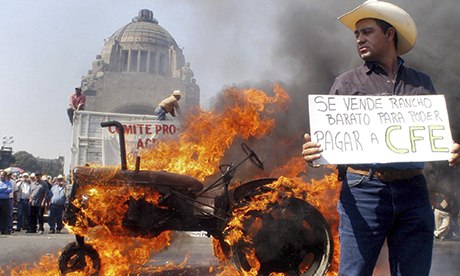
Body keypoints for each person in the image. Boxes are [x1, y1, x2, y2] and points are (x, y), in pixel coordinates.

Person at [301, 1, 460, 275]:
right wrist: (314, 152)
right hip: (364, 191)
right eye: (357, 34)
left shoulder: (421, 83)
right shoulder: (346, 83)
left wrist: (453, 148)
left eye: (367, 32)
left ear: (390, 35)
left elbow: (438, 133)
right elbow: (327, 141)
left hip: (413, 191)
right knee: (354, 271)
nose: (360, 39)